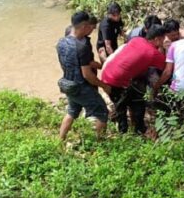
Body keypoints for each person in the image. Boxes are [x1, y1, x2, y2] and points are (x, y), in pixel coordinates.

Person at [101, 26, 167, 134]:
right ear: (157, 39)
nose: (164, 40)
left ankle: (132, 129)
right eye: (163, 38)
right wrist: (164, 48)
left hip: (106, 74)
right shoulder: (153, 53)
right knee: (129, 106)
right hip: (116, 82)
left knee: (125, 105)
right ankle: (129, 132)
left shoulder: (137, 39)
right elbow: (166, 67)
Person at [57, 11, 111, 141]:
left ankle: (60, 141)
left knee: (71, 111)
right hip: (81, 87)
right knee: (102, 112)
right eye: (89, 27)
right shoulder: (81, 47)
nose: (90, 30)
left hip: (67, 84)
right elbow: (87, 75)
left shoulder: (61, 43)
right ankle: (99, 143)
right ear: (83, 26)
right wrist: (104, 86)